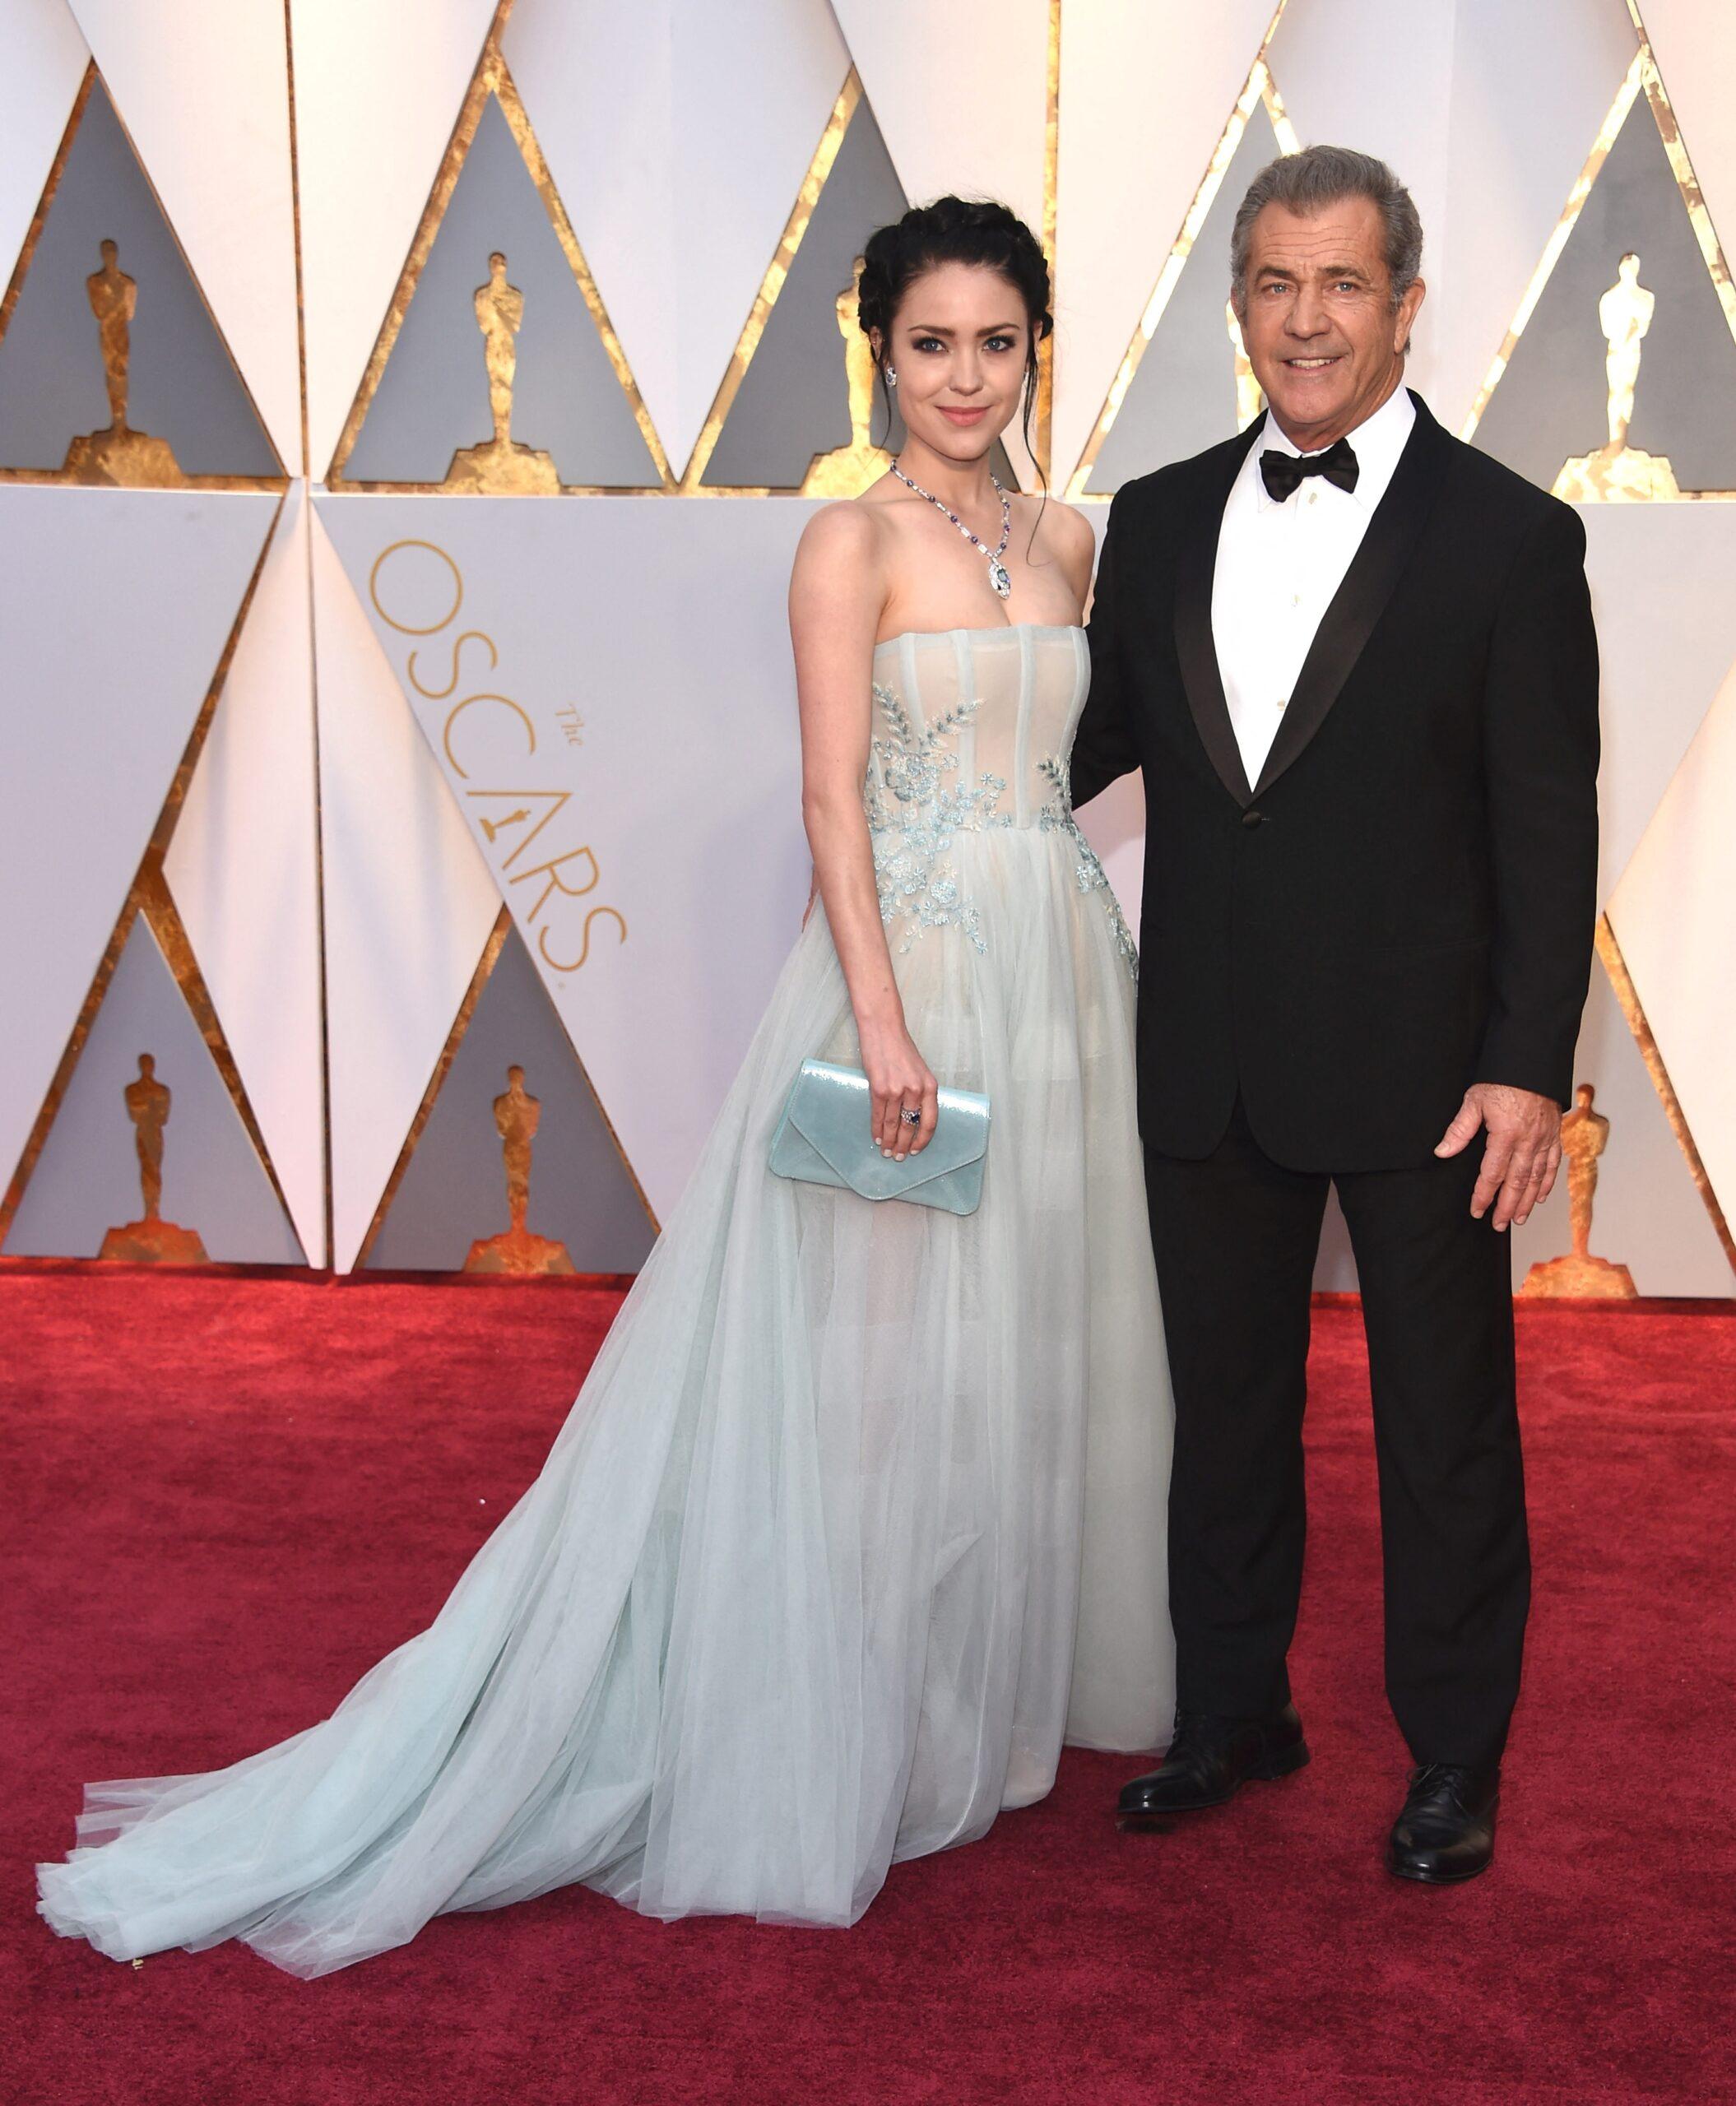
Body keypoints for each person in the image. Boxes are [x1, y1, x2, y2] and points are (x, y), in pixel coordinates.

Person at [35, 197, 1173, 1978]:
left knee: (1016, 1351)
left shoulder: (1069, 537)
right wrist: (879, 1024)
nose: (966, 374)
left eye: (999, 340)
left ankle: (970, 1714)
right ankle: (833, 1717)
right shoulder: (844, 545)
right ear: (882, 351)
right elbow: (828, 806)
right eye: (931, 341)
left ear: (1038, 346)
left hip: (1059, 981)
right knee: (871, 1371)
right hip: (921, 983)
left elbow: (1058, 764)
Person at [1071, 145, 1599, 1883]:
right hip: (1205, 1050)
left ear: (1404, 306)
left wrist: (1527, 1063)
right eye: (1274, 285)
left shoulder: (1511, 537)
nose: (1305, 321)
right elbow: (1067, 757)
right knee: (1218, 1409)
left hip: (1425, 1073)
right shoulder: (1147, 516)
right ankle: (1231, 1707)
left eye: (1342, 285)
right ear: (1236, 304)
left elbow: (1544, 821)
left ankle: (1454, 1755)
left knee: (1441, 1428)